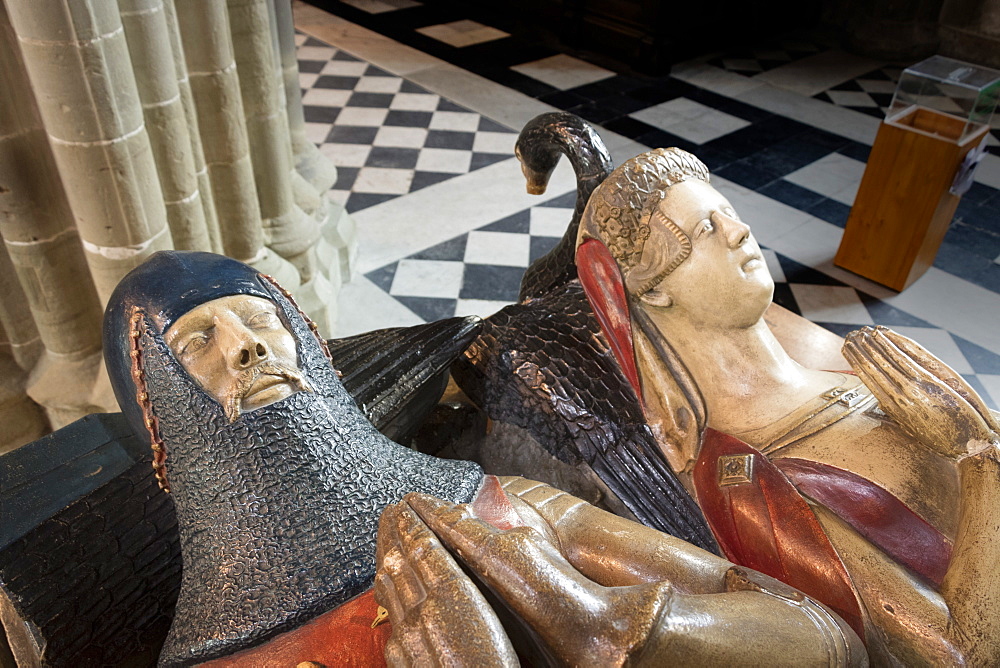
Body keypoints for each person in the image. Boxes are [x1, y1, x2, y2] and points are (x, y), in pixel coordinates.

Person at [104, 250, 867, 666]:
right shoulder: (228, 655)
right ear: (168, 417)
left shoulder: (501, 508)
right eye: (198, 342)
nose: (247, 346)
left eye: (256, 319)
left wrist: (597, 621)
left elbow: (821, 640)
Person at [574, 148, 1000, 664]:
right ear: (655, 290)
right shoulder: (746, 478)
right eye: (704, 231)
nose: (739, 230)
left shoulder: (860, 367)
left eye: (728, 212)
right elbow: (959, 653)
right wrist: (980, 454)